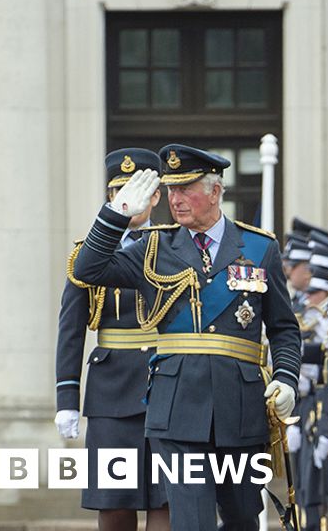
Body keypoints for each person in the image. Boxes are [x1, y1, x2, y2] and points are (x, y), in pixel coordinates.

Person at [72, 143, 301, 531]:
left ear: (215, 191)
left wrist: (285, 378)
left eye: (186, 189)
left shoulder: (260, 247)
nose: (175, 200)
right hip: (177, 408)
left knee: (243, 515)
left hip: (240, 405)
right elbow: (87, 268)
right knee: (191, 521)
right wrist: (114, 216)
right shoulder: (153, 247)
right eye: (171, 190)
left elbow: (282, 328)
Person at [55, 147, 169, 531]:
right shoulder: (85, 256)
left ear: (156, 197)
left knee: (166, 499)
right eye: (118, 193)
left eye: (139, 192)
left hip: (168, 383)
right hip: (111, 392)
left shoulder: (174, 248)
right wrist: (66, 397)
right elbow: (70, 329)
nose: (130, 201)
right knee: (114, 503)